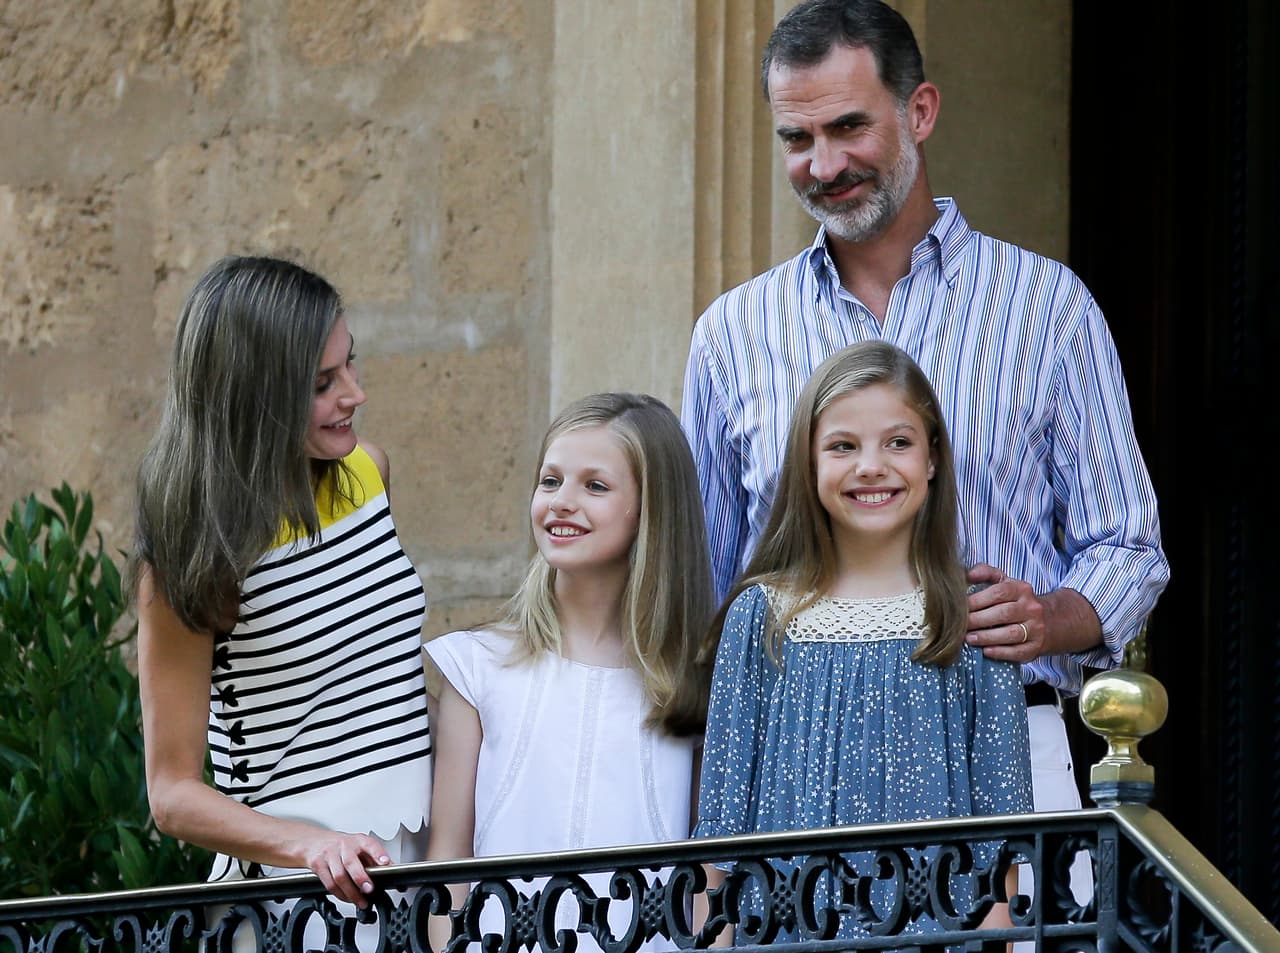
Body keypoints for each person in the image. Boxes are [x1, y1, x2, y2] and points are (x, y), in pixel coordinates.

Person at [680, 0, 1169, 843]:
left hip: (1010, 738)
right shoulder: (732, 331)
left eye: (847, 127)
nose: (823, 165)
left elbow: (1129, 547)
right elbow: (703, 584)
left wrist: (1048, 616)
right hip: (799, 765)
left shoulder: (1047, 307)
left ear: (920, 111)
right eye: (796, 139)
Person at [696, 340, 1032, 938]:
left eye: (897, 442)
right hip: (785, 936)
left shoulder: (975, 619)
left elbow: (999, 850)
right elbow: (719, 843)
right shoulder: (761, 618)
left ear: (932, 458)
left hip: (935, 935)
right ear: (808, 464)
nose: (870, 465)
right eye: (842, 446)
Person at [129, 256, 432, 910]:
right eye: (323, 382)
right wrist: (309, 846)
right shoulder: (190, 556)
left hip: (412, 865)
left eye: (352, 364)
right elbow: (173, 791)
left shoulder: (369, 471)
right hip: (297, 900)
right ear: (253, 395)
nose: (354, 394)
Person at [425, 392, 717, 952]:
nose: (562, 502)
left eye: (595, 486)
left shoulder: (694, 685)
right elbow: (447, 865)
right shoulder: (476, 668)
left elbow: (709, 877)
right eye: (550, 480)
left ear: (651, 510)